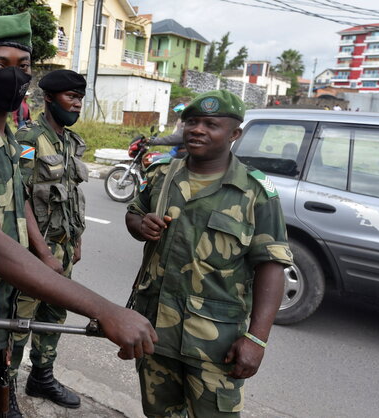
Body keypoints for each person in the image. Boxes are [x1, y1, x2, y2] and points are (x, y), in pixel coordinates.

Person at [0, 12, 156, 417]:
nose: (15, 77)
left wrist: (45, 254)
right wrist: (105, 309)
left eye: (23, 67)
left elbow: (18, 207)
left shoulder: (0, 136)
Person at [124, 90, 294, 417]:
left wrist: (256, 340)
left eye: (211, 124)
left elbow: (271, 265)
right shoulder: (161, 173)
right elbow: (133, 213)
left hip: (216, 344)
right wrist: (140, 224)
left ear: (234, 134)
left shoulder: (255, 192)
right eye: (192, 122)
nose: (198, 129)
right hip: (155, 331)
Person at [7, 69, 88, 416]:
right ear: (50, 99)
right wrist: (41, 252)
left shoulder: (69, 142)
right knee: (20, 322)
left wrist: (77, 241)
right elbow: (18, 197)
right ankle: (5, 386)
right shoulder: (28, 138)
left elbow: (72, 195)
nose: (77, 104)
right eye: (71, 97)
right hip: (33, 252)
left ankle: (41, 376)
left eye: (80, 98)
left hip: (63, 247)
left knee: (53, 316)